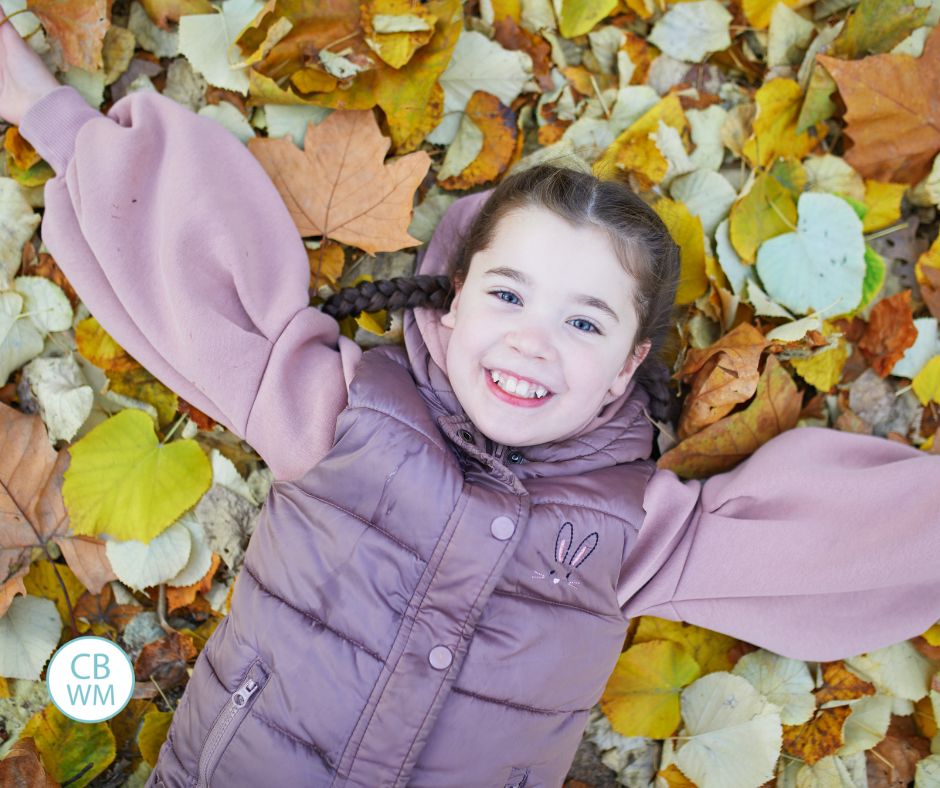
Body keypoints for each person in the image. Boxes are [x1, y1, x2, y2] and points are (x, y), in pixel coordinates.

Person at [3, 13, 939, 788]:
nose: (533, 339)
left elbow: (853, 539)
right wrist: (41, 107)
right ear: (449, 311)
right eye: (507, 295)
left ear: (625, 369)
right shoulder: (334, 411)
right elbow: (181, 259)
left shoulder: (639, 531)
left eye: (584, 324)